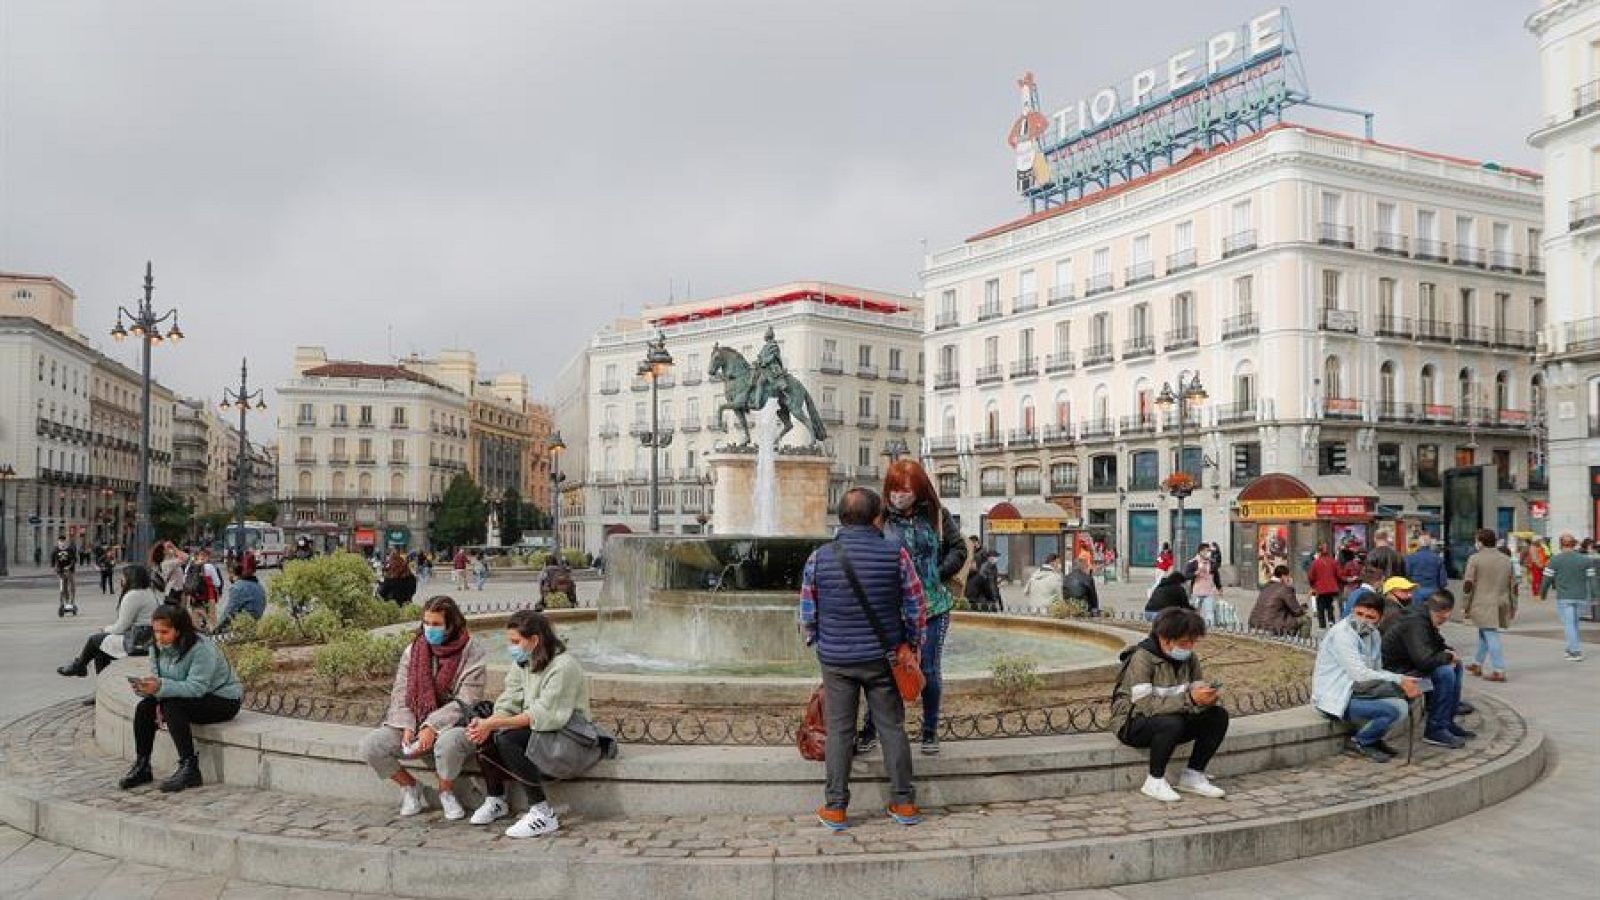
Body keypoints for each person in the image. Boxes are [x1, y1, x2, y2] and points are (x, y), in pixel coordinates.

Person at [798, 487, 925, 831]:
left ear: (841, 517)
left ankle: (836, 808)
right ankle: (904, 803)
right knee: (891, 727)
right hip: (883, 657)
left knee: (839, 731)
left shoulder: (819, 557)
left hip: (837, 659)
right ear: (876, 516)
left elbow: (808, 612)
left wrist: (820, 642)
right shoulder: (896, 554)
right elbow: (916, 606)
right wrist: (911, 645)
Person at [858, 460, 964, 758]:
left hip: (933, 606)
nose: (898, 496)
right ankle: (871, 729)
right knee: (885, 671)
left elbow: (959, 549)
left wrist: (936, 573)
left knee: (928, 667)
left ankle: (929, 730)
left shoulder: (937, 516)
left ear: (918, 490)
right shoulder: (879, 520)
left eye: (904, 490)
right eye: (893, 490)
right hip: (892, 610)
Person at [360, 596, 490, 820]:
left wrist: (432, 726)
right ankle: (410, 787)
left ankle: (446, 791)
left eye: (437, 624)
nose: (430, 629)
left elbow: (467, 699)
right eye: (426, 623)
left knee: (448, 743)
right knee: (372, 745)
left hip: (456, 723)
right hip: (414, 719)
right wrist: (408, 725)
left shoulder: (472, 651)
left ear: (451, 624)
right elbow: (401, 692)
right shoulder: (414, 650)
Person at [465, 609, 591, 838]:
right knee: (482, 732)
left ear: (534, 640)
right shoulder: (523, 661)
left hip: (567, 732)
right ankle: (496, 799)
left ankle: (543, 812)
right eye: (509, 641)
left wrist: (494, 725)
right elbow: (509, 699)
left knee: (506, 738)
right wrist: (487, 723)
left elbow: (545, 714)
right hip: (541, 726)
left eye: (515, 641)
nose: (511, 647)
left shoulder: (563, 667)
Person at [1109, 607, 1229, 803]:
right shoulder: (1142, 658)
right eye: (1184, 642)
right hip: (1133, 723)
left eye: (1192, 642)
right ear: (1165, 639)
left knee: (1217, 716)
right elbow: (1145, 705)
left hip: (1174, 719)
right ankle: (1154, 780)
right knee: (1170, 722)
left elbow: (1196, 691)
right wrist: (1190, 700)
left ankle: (1193, 775)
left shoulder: (1190, 658)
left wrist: (1207, 698)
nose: (1189, 647)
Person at [119, 604, 243, 792]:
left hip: (222, 699)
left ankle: (190, 768)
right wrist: (147, 688)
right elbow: (160, 681)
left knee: (173, 706)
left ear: (179, 629)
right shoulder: (156, 647)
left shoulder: (201, 648)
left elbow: (197, 688)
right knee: (145, 707)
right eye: (156, 631)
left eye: (165, 632)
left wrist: (160, 687)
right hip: (183, 695)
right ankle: (143, 765)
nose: (159, 637)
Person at [1311, 593, 1422, 763]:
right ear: (1353, 610)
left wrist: (1400, 682)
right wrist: (1399, 680)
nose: (1364, 620)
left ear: (1380, 619)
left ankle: (1374, 739)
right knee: (1395, 709)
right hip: (1335, 696)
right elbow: (1360, 674)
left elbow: (1376, 670)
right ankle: (1361, 741)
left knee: (1401, 702)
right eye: (1360, 614)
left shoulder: (1373, 634)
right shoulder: (1342, 634)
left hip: (1360, 690)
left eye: (1371, 617)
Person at [1382, 590, 1473, 749]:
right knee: (1444, 672)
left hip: (1408, 664)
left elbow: (1436, 645)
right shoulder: (1416, 622)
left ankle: (1446, 722)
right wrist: (1447, 657)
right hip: (1394, 670)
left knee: (1456, 666)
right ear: (1444, 613)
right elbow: (1424, 660)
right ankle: (1435, 729)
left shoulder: (1424, 617)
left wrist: (1449, 653)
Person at [56, 563, 161, 683]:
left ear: (131, 578)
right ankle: (97, 684)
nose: (121, 580)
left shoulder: (133, 595)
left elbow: (121, 627)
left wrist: (105, 629)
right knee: (100, 650)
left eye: (124, 577)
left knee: (94, 640)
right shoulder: (147, 592)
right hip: (147, 639)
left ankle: (80, 665)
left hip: (138, 641)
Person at [1463, 528, 1517, 682]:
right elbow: (1513, 585)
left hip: (1482, 602)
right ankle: (1477, 663)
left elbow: (1468, 584)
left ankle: (1499, 669)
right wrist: (1514, 605)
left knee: (1490, 634)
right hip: (1501, 601)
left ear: (1480, 542)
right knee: (1485, 632)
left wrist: (1465, 604)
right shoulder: (1506, 559)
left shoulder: (1475, 559)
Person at [1540, 533, 1592, 663]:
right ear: (1574, 544)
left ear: (1560, 544)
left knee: (1569, 625)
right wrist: (1596, 595)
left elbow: (1547, 579)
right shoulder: (1586, 560)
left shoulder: (1555, 560)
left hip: (1564, 597)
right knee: (1574, 624)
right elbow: (1592, 579)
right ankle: (1570, 649)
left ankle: (1575, 651)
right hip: (1581, 596)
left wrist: (1542, 593)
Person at [1248, 564, 1311, 637]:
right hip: (1271, 625)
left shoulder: (1266, 586)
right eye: (1288, 576)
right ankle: (1302, 644)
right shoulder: (1285, 588)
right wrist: (1303, 609)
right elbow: (1296, 611)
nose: (1289, 578)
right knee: (1306, 620)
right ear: (1283, 576)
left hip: (1254, 623)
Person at [215, 559, 267, 632]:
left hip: (243, 625)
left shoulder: (237, 587)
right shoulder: (258, 585)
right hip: (256, 620)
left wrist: (216, 629)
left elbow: (229, 612)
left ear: (232, 573)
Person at [1405, 532, 1449, 605]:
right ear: (1430, 544)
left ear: (1418, 544)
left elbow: (1406, 575)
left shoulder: (1410, 558)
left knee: (1416, 612)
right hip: (1433, 591)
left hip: (1416, 591)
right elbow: (1443, 581)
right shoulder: (1438, 559)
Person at [1307, 543, 1342, 630]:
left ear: (1319, 552)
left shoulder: (1315, 562)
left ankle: (1322, 624)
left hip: (1320, 588)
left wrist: (1312, 585)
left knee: (1320, 606)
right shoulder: (1333, 561)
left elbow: (1311, 576)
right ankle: (1331, 621)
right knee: (1329, 604)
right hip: (1331, 588)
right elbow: (1338, 574)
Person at [1187, 545, 1222, 625]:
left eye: (1209, 551)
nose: (1208, 553)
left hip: (1208, 592)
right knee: (1195, 613)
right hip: (1196, 592)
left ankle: (1210, 630)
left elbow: (1216, 576)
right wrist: (1196, 573)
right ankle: (1194, 628)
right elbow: (1186, 575)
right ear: (1201, 552)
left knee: (1210, 613)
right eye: (1206, 551)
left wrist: (1219, 587)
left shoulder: (1212, 563)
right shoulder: (1193, 562)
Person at [964, 547, 1003, 613]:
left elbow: (992, 584)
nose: (996, 559)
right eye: (994, 556)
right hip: (976, 604)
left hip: (991, 593)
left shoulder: (994, 567)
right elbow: (985, 585)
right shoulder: (983, 569)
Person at [51, 535, 77, 607]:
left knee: (71, 584)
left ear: (65, 542)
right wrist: (54, 568)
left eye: (63, 541)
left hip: (69, 570)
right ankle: (66, 600)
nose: (62, 543)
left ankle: (72, 600)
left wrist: (69, 566)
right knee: (63, 586)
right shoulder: (55, 550)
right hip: (61, 570)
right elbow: (53, 561)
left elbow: (74, 560)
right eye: (60, 541)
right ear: (58, 542)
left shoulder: (70, 549)